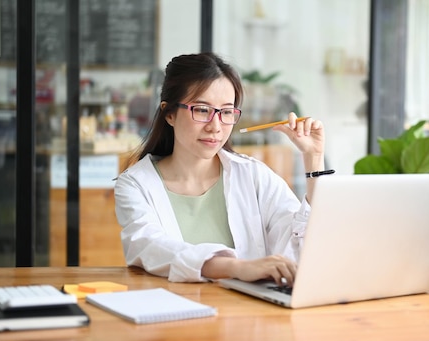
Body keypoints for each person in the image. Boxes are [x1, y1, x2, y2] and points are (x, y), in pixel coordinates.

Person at [114, 53, 327, 286]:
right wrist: (238, 268)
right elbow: (150, 248)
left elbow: (302, 250)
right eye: (202, 110)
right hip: (174, 313)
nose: (215, 127)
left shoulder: (254, 176)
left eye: (226, 112)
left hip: (248, 317)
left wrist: (313, 158)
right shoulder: (135, 184)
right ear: (169, 113)